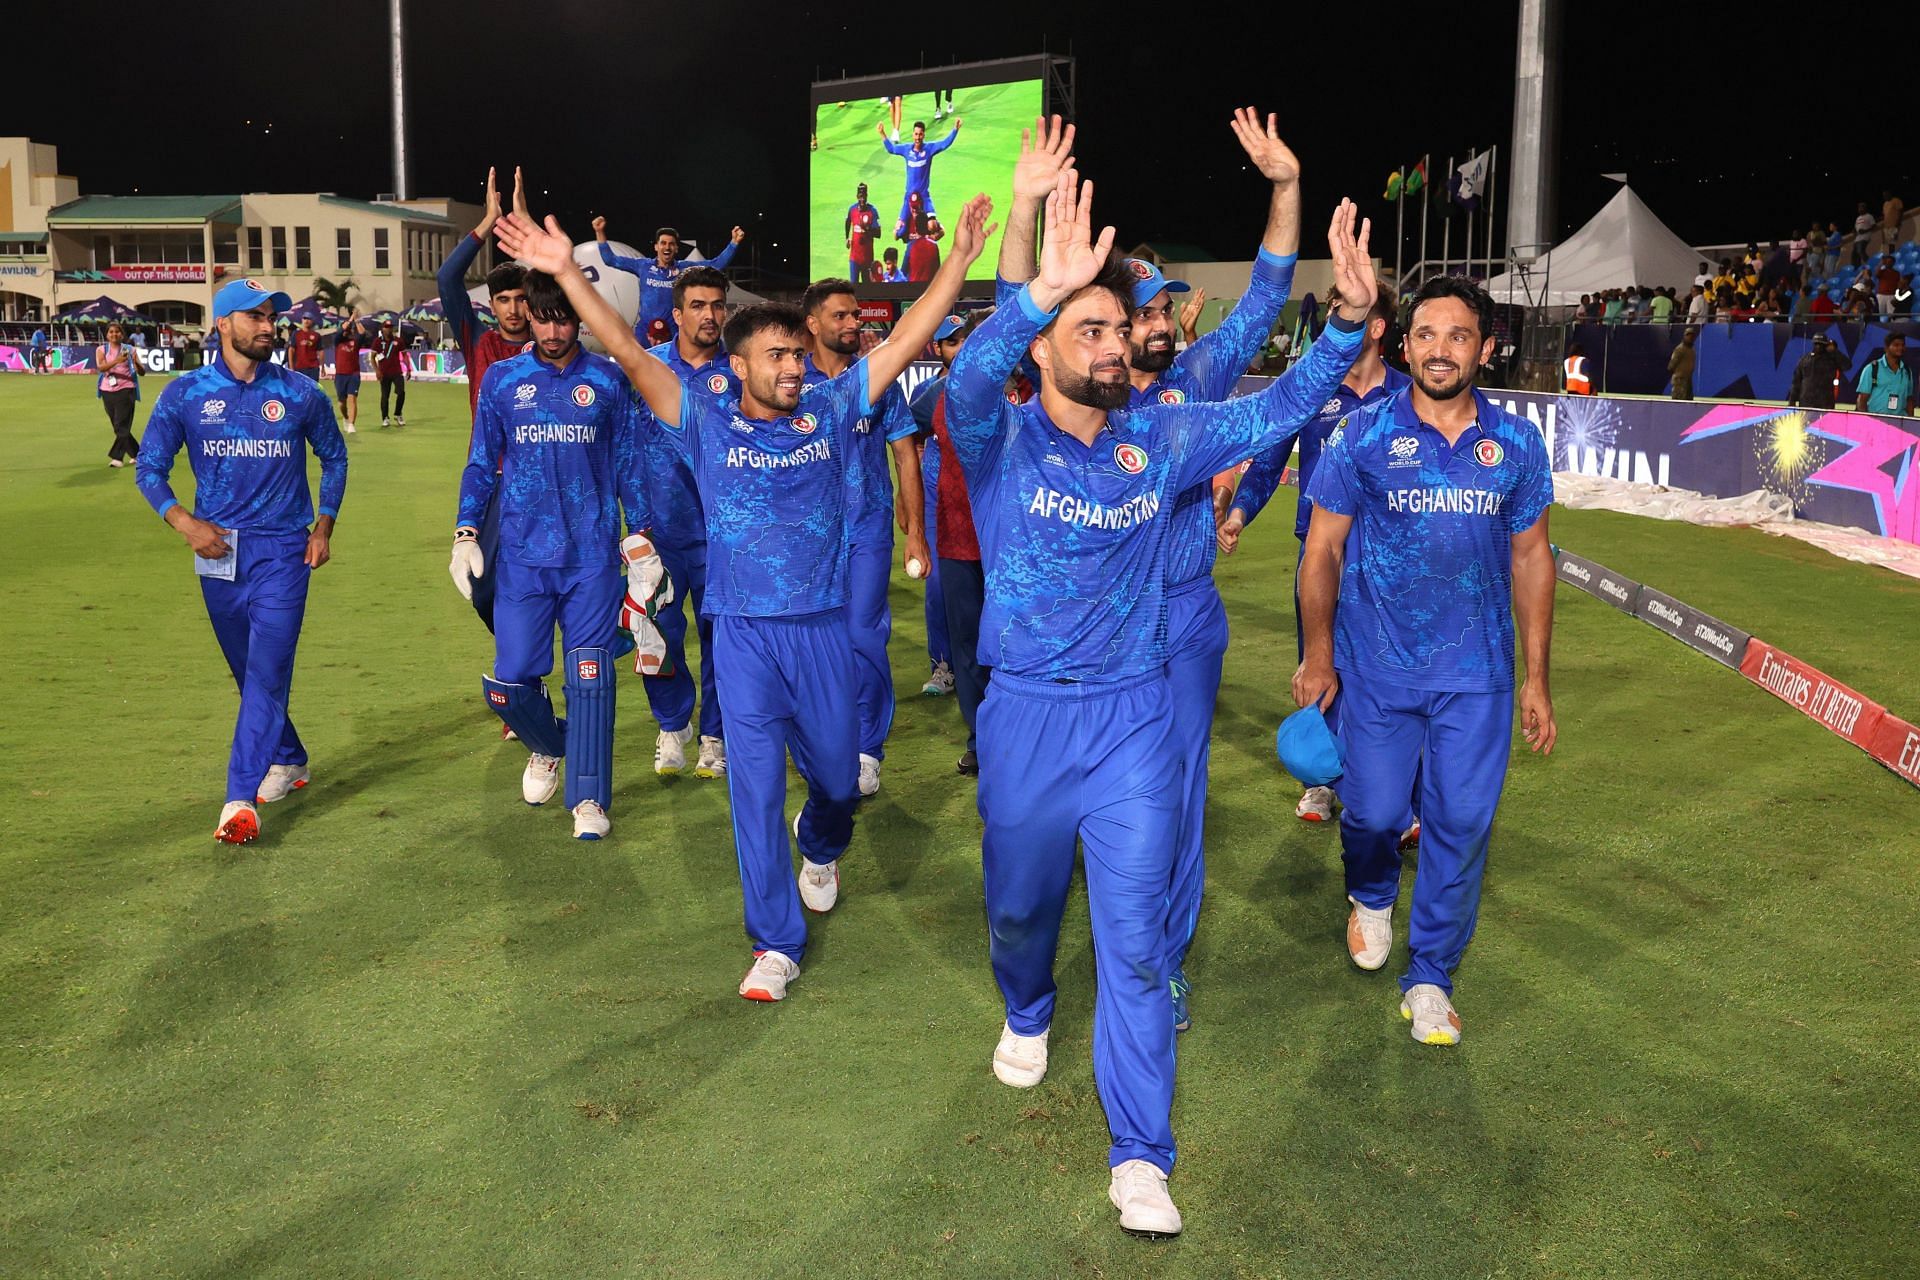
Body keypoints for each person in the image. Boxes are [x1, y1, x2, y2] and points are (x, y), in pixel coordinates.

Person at [946, 169, 1374, 1239]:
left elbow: (1277, 406)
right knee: (1019, 909)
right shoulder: (1000, 441)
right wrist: (1035, 293)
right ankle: (1028, 1003)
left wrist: (1349, 326)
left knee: (1136, 942)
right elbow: (962, 381)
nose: (1103, 345)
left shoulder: (1164, 436)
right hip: (1027, 716)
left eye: (1111, 328)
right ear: (1042, 344)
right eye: (1081, 327)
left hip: (1135, 714)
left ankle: (1140, 1151)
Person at [493, 190, 993, 1003]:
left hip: (824, 631)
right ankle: (774, 944)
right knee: (752, 791)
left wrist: (962, 261)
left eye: (799, 356)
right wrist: (566, 275)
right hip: (746, 638)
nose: (795, 367)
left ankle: (821, 842)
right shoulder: (704, 421)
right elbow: (625, 347)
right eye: (779, 358)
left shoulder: (833, 410)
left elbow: (903, 340)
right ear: (740, 368)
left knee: (835, 783)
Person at [1293, 274, 1556, 1049]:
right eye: (1428, 335)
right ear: (1404, 344)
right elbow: (1322, 550)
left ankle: (1431, 975)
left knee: (1462, 824)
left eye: (1460, 336)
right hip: (1377, 668)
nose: (1442, 351)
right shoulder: (1364, 435)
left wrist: (1537, 678)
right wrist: (1318, 656)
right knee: (1373, 814)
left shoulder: (1516, 443)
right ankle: (1371, 894)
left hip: (1478, 678)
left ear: (1485, 348)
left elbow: (1533, 557)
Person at [134, 278, 348, 844]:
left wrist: (323, 524)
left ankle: (239, 797)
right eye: (253, 317)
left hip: (284, 550)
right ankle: (291, 757)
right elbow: (148, 468)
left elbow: (335, 457)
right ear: (222, 324)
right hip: (218, 551)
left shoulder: (301, 393)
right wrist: (185, 523)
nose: (266, 326)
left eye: (270, 316)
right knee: (247, 669)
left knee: (266, 672)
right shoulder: (184, 395)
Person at [451, 268, 661, 842]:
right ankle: (547, 747)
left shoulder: (610, 382)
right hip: (521, 558)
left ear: (579, 319)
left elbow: (629, 463)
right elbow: (479, 462)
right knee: (512, 681)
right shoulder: (501, 380)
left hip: (592, 558)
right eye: (542, 317)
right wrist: (467, 531)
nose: (550, 328)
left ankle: (589, 799)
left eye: (562, 317)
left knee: (589, 679)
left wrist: (640, 539)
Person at [1220, 278, 1409, 824]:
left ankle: (1398, 789)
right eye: (1333, 310)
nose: (1336, 319)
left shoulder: (1407, 392)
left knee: (1389, 673)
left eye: (1350, 312)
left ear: (1376, 328)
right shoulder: (1308, 387)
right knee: (1318, 660)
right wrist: (1238, 514)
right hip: (1319, 555)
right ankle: (1321, 781)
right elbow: (1270, 458)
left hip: (1390, 561)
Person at [800, 276, 928, 798]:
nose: (855, 323)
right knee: (813, 645)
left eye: (856, 315)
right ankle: (821, 739)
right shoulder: (790, 379)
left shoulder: (876, 381)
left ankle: (867, 749)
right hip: (805, 540)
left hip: (867, 532)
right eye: (841, 316)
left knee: (862, 638)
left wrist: (916, 532)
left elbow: (905, 454)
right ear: (813, 324)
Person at [634, 265, 735, 780]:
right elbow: (626, 447)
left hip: (723, 532)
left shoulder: (740, 373)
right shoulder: (648, 369)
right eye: (698, 305)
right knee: (658, 635)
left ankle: (715, 734)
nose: (710, 315)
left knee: (723, 640)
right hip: (661, 533)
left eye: (718, 305)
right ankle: (673, 723)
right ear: (676, 314)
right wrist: (634, 524)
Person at [438, 168, 538, 646]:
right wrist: (489, 221)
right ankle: (522, 668)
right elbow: (446, 277)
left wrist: (525, 226)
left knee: (558, 587)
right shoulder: (476, 339)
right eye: (504, 300)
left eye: (522, 299)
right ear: (491, 305)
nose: (515, 309)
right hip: (494, 480)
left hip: (548, 477)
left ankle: (526, 683)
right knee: (482, 590)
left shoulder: (549, 345)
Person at [908, 313, 969, 702]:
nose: (960, 348)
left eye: (965, 339)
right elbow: (906, 439)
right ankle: (944, 665)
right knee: (937, 586)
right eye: (951, 342)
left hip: (986, 496)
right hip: (941, 498)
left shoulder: (1006, 385)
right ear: (938, 349)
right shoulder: (933, 393)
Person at [592, 219, 745, 347]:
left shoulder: (684, 269)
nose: (667, 247)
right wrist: (600, 233)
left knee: (672, 372)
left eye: (671, 244)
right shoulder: (643, 266)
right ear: (656, 246)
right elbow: (610, 259)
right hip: (645, 330)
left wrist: (734, 243)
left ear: (676, 248)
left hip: (673, 331)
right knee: (638, 372)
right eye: (663, 243)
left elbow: (716, 265)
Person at [879, 116, 961, 239]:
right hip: (909, 198)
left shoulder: (929, 149)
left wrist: (955, 129)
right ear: (913, 134)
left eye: (920, 134)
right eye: (916, 134)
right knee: (897, 234)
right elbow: (891, 149)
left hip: (923, 196)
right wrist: (882, 133)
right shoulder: (906, 149)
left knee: (932, 226)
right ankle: (912, 237)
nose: (918, 137)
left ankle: (938, 230)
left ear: (924, 135)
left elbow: (944, 144)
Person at [95, 321, 143, 467]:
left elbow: (142, 372)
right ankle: (138, 454)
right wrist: (117, 361)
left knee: (121, 424)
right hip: (107, 390)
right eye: (111, 332)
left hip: (126, 389)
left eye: (117, 332)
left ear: (122, 334)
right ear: (107, 335)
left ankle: (117, 457)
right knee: (119, 427)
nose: (114, 334)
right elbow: (101, 367)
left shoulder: (129, 349)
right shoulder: (101, 349)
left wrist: (136, 363)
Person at [1855, 334, 1914, 415]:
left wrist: (1910, 423)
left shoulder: (1907, 371)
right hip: (1876, 422)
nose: (1901, 348)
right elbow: (1862, 399)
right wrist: (1866, 422)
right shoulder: (1872, 368)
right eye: (1896, 345)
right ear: (1886, 348)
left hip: (1899, 423)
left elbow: (1909, 400)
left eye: (1903, 345)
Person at [1787, 333, 1846, 409]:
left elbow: (1847, 366)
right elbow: (1796, 382)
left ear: (1825, 345)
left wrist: (1835, 351)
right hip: (1806, 403)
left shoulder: (1832, 360)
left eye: (1821, 344)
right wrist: (1792, 401)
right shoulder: (1804, 359)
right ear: (1813, 344)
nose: (1818, 346)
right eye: (1816, 343)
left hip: (1825, 403)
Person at [331, 315, 363, 434]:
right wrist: (350, 320)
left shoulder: (355, 342)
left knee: (352, 399)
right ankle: (345, 417)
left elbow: (362, 333)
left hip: (353, 374)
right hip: (340, 375)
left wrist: (357, 320)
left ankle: (351, 424)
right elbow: (341, 330)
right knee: (341, 403)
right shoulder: (337, 341)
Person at [373, 321, 408, 427]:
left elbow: (405, 355)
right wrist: (377, 371)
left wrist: (409, 368)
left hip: (397, 371)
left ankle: (398, 414)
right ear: (382, 329)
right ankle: (385, 418)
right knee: (385, 396)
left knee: (401, 392)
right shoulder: (378, 342)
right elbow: (372, 357)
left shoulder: (398, 340)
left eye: (390, 327)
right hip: (384, 373)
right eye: (386, 327)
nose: (389, 329)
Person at [845, 182, 881, 284]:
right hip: (854, 259)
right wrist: (847, 237)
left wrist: (867, 229)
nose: (862, 199)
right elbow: (848, 221)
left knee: (867, 287)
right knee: (854, 287)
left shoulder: (872, 211)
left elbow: (878, 233)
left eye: (864, 196)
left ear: (867, 196)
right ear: (857, 196)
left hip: (867, 259)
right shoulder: (852, 210)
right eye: (860, 196)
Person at [289, 317, 323, 382]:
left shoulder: (316, 335)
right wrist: (291, 366)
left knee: (313, 389)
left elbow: (320, 351)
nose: (306, 321)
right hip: (299, 367)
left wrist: (322, 366)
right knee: (300, 389)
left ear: (312, 321)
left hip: (313, 368)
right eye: (304, 318)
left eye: (309, 319)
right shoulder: (296, 334)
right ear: (302, 320)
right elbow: (291, 350)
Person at [1667, 327, 1697, 399]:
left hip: (1688, 379)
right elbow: (1672, 364)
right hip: (1679, 380)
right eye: (1688, 335)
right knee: (1679, 402)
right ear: (1684, 336)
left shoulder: (1692, 350)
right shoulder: (1679, 349)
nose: (1690, 337)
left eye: (1692, 336)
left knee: (1689, 401)